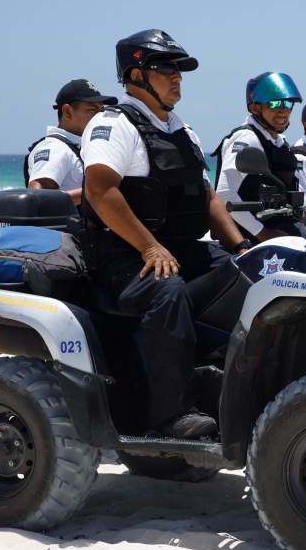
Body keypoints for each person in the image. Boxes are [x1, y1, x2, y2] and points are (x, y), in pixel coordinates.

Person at [80, 29, 251, 440]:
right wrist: (150, 247)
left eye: (179, 70)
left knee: (248, 274)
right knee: (167, 290)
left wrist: (243, 248)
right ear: (136, 75)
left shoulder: (181, 130)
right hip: (122, 257)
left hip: (179, 248)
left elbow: (206, 195)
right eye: (165, 69)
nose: (177, 77)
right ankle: (173, 416)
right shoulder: (113, 125)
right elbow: (100, 190)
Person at [213, 72, 303, 242]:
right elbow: (225, 194)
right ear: (255, 108)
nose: (283, 110)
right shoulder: (247, 138)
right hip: (252, 233)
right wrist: (262, 233)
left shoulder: (279, 142)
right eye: (275, 103)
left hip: (282, 224)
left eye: (288, 103)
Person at [25, 79, 118, 205]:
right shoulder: (55, 148)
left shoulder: (82, 147)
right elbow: (37, 199)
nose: (99, 116)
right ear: (67, 111)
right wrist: (98, 191)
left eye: (101, 110)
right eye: (92, 110)